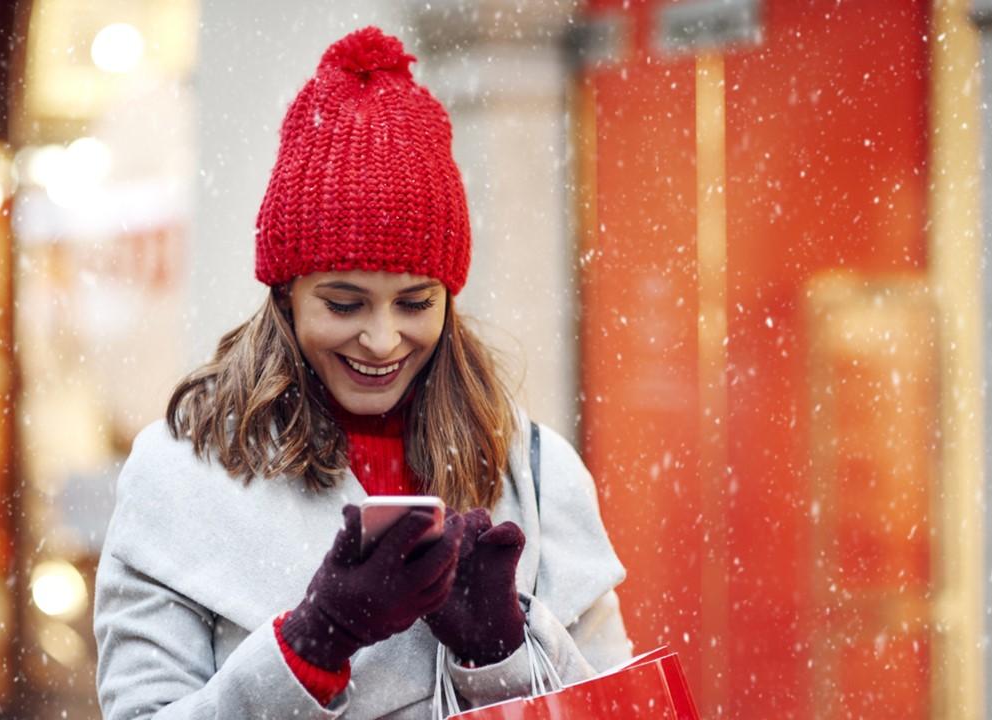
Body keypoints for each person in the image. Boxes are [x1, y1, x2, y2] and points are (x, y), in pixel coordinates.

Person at [93, 26, 631, 720]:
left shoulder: (535, 474)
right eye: (343, 303)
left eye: (416, 302)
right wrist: (312, 645)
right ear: (285, 292)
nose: (381, 341)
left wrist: (502, 657)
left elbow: (620, 706)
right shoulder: (179, 478)